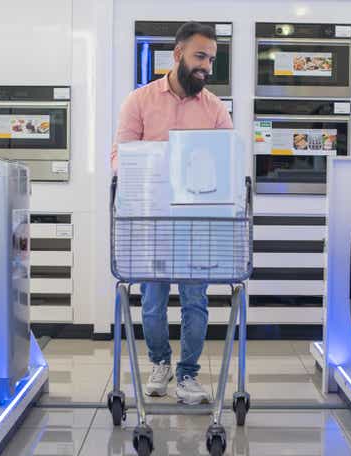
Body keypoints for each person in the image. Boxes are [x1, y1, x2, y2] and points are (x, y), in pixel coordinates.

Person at [111, 22, 233, 404]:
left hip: (198, 224)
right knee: (152, 301)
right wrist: (154, 166)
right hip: (153, 222)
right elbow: (119, 157)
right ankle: (160, 363)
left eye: (211, 59)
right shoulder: (140, 101)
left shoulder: (215, 109)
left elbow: (228, 163)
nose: (206, 67)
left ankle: (188, 375)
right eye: (200, 57)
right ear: (177, 54)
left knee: (196, 301)